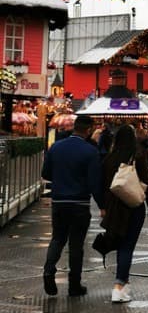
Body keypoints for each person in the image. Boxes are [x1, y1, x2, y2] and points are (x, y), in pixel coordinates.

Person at [42, 115, 104, 297]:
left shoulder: (56, 147)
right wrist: (102, 205)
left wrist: (61, 180)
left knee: (57, 238)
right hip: (79, 203)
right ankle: (74, 285)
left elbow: (46, 173)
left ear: (74, 127)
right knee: (76, 244)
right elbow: (95, 182)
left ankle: (48, 270)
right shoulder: (90, 151)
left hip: (59, 201)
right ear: (88, 130)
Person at [100, 124, 148, 303]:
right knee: (127, 246)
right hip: (133, 206)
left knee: (120, 243)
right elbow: (146, 181)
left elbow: (103, 184)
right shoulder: (137, 155)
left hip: (113, 207)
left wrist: (103, 206)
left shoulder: (109, 158)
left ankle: (123, 283)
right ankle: (119, 286)